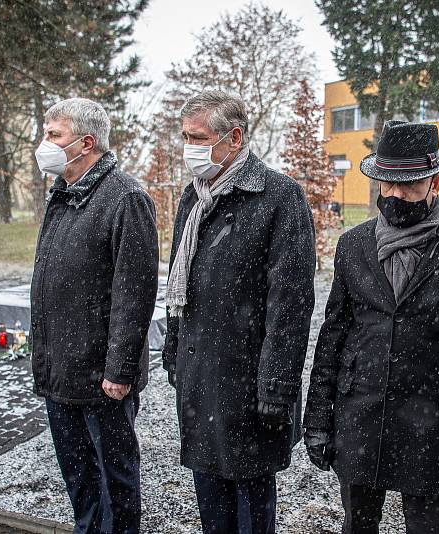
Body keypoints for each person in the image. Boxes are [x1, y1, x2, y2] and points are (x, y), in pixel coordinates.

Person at [304, 120, 439, 534]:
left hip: (429, 425)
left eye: (408, 185)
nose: (394, 195)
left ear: (436, 183)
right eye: (386, 184)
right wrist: (318, 419)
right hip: (360, 414)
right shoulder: (353, 245)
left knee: (428, 526)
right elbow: (333, 338)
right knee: (358, 524)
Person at [161, 90, 316, 534]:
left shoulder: (279, 197)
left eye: (198, 137)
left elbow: (290, 304)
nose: (189, 148)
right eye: (185, 137)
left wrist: (277, 386)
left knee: (251, 507)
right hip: (201, 377)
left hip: (248, 384)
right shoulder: (194, 198)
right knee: (211, 505)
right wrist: (174, 352)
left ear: (234, 138)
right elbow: (180, 282)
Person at [30, 97, 159, 534]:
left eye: (54, 135)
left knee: (115, 484)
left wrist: (119, 370)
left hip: (101, 378)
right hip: (61, 371)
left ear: (86, 142)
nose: (44, 143)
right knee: (80, 482)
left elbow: (135, 294)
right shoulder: (63, 195)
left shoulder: (125, 198)